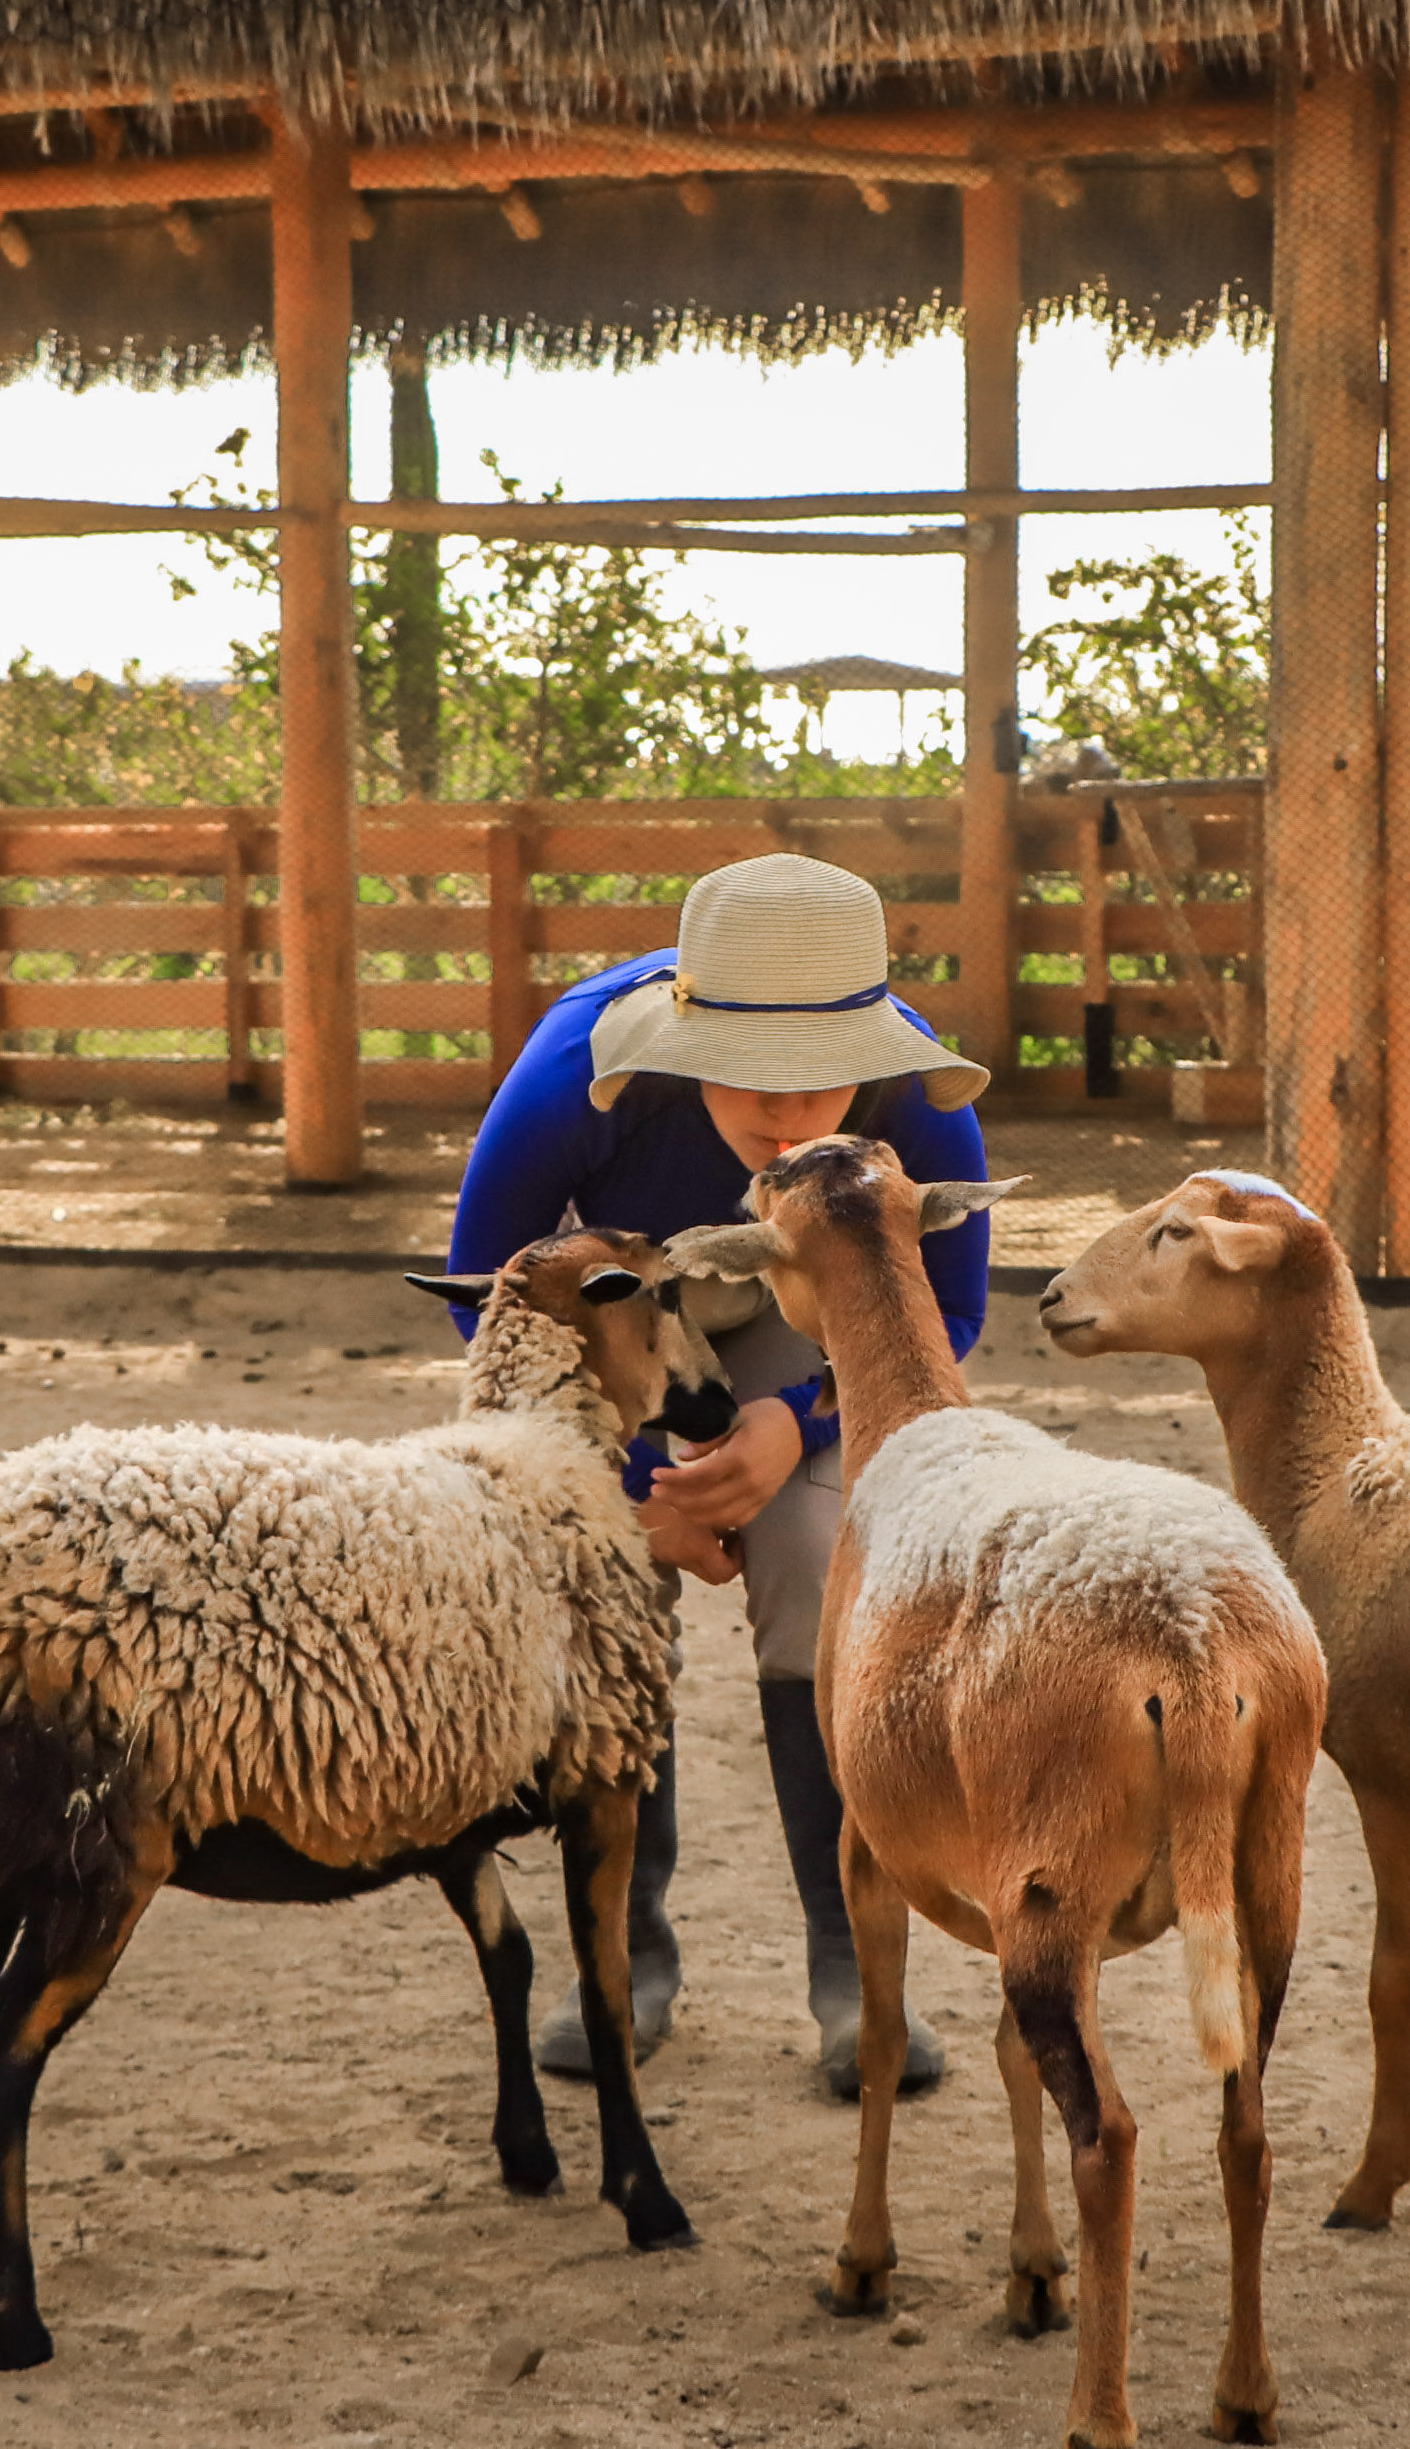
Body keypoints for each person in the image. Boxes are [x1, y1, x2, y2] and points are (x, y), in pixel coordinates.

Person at [443, 852, 987, 2100]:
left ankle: (856, 1979)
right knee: (607, 1596)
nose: (787, 1114)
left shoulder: (916, 1090)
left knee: (813, 1568)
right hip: (631, 1316)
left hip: (813, 1313)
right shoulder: (578, 1074)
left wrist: (796, 1425)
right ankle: (626, 1960)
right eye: (748, 1071)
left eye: (818, 1072)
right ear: (682, 1034)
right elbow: (491, 1297)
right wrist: (639, 1485)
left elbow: (944, 1314)